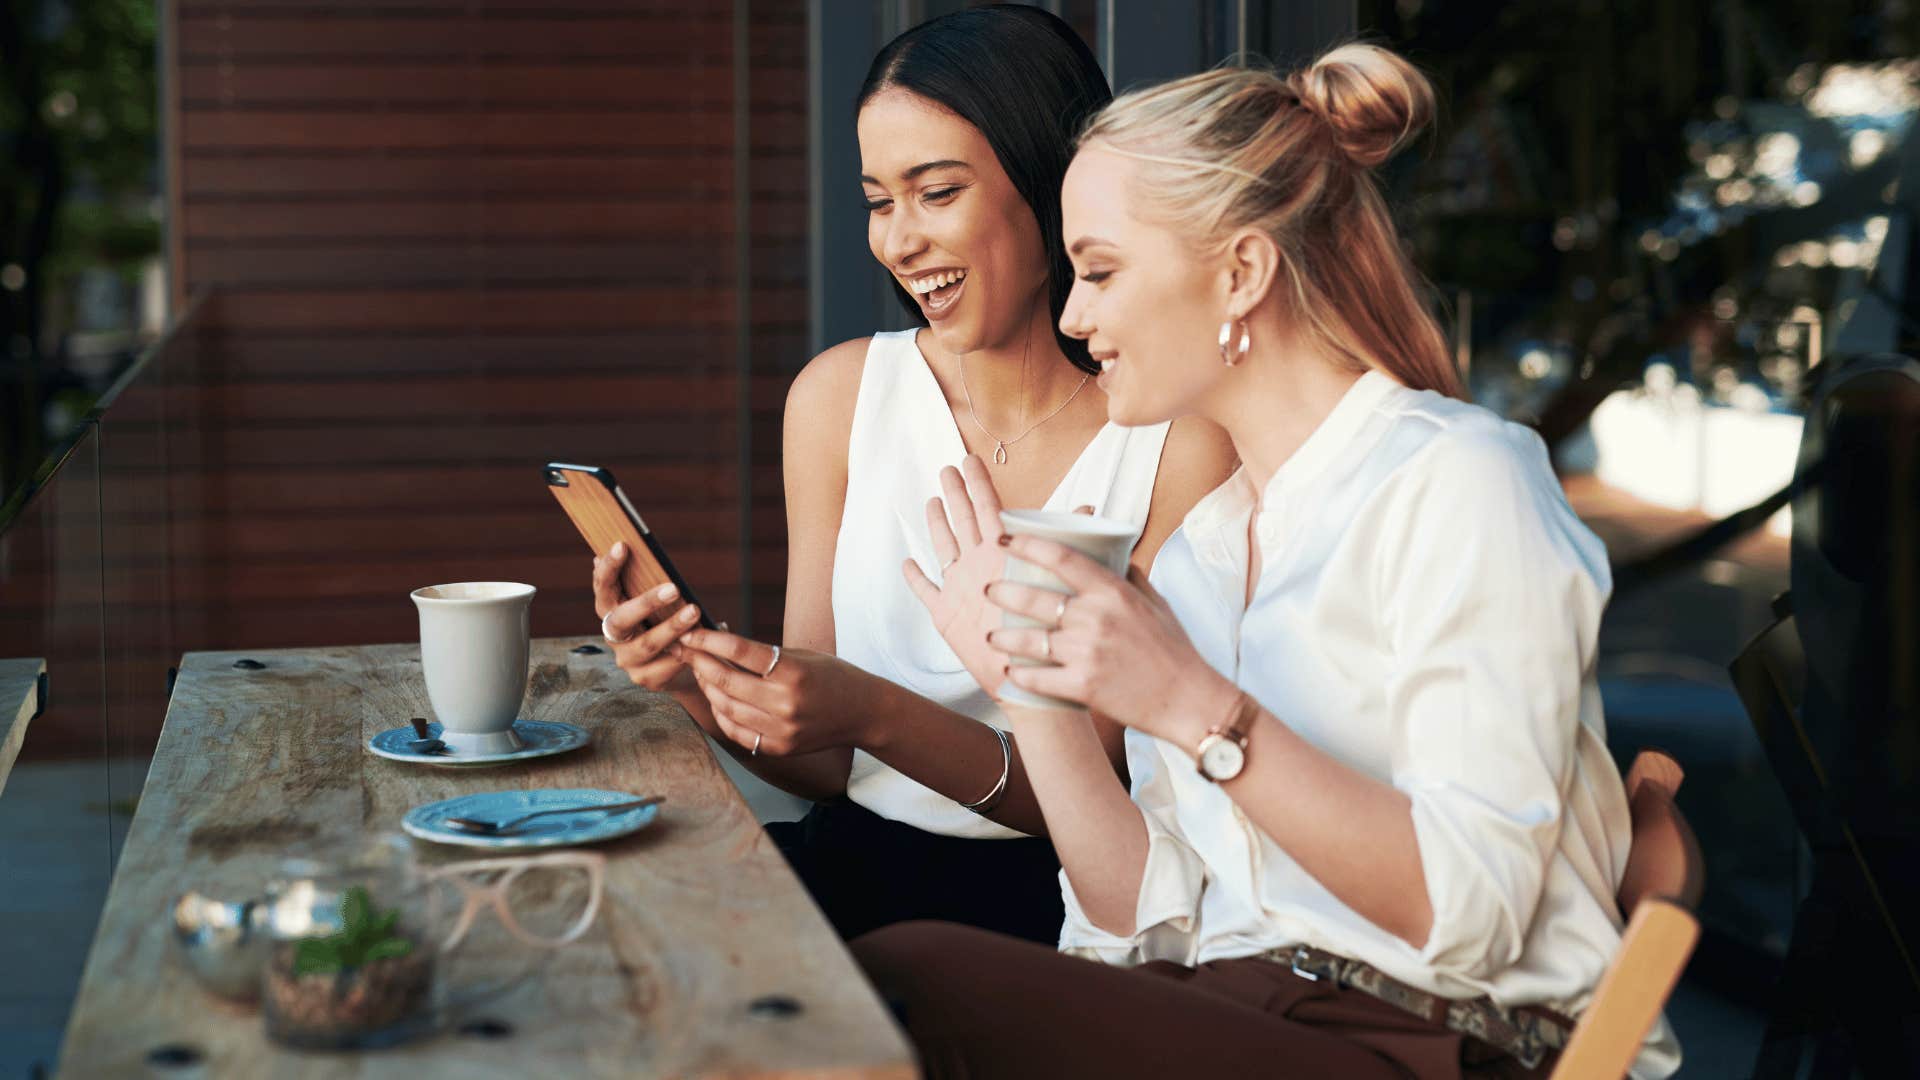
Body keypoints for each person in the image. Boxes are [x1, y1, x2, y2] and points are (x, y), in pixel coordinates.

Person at [852, 44, 1682, 1079]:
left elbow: (1472, 913)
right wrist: (1036, 699)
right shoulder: (1202, 547)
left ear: (1241, 272)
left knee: (897, 981)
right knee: (869, 984)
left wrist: (1191, 705)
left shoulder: (1458, 483)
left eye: (1101, 271)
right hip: (1246, 1015)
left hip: (1433, 1044)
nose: (1072, 316)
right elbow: (1143, 928)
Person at [590, 5, 1235, 944]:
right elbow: (821, 763)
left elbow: (1095, 797)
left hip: (1061, 916)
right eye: (878, 202)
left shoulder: (1176, 440)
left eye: (936, 194)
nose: (898, 243)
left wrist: (875, 713)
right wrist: (699, 682)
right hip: (850, 868)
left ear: (1053, 189)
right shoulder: (840, 397)